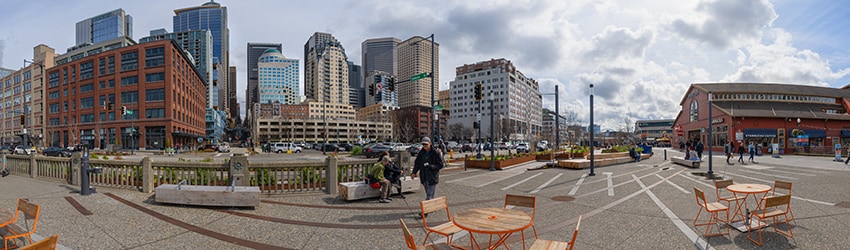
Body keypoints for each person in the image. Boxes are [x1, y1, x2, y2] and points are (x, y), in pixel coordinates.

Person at [411, 136, 444, 201]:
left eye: (426, 144)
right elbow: (417, 163)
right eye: (423, 144)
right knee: (429, 194)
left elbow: (440, 165)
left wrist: (431, 166)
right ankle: (431, 204)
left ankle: (428, 205)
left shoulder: (436, 152)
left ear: (430, 143)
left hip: (432, 176)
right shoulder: (421, 153)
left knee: (429, 196)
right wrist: (414, 172)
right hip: (424, 176)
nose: (424, 146)